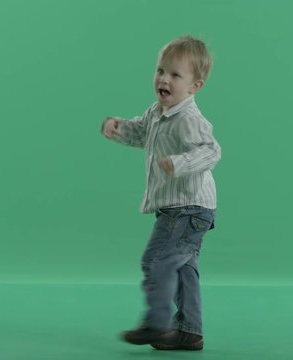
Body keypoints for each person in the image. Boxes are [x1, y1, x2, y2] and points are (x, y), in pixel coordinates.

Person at [101, 35, 221, 351]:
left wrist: (180, 163)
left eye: (175, 75)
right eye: (160, 71)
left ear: (195, 86)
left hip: (189, 207)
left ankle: (156, 323)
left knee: (156, 260)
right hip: (180, 208)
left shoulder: (189, 119)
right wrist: (119, 128)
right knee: (182, 269)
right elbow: (141, 132)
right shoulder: (157, 112)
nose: (164, 79)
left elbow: (211, 151)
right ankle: (189, 331)